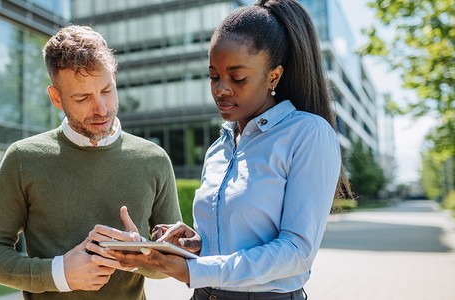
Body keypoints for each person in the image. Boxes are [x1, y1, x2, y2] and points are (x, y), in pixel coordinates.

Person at [104, 1, 352, 299]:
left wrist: (193, 271)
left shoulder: (307, 134)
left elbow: (297, 252)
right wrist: (195, 243)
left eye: (237, 77)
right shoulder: (219, 147)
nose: (220, 89)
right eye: (213, 75)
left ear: (273, 76)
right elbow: (230, 246)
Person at [0, 25, 182, 300]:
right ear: (56, 98)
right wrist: (59, 273)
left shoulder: (154, 159)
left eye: (107, 90)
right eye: (83, 98)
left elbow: (175, 261)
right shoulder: (23, 159)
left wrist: (142, 255)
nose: (102, 108)